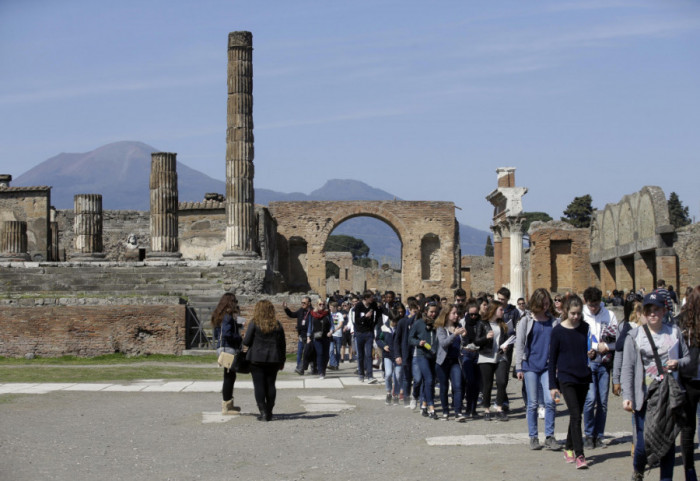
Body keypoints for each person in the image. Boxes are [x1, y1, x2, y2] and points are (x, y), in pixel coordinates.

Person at [622, 292, 689, 481]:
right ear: (644, 312)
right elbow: (628, 368)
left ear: (664, 311)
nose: (652, 314)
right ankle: (638, 469)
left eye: (656, 309)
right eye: (648, 310)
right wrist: (627, 396)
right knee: (643, 444)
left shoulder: (674, 332)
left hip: (668, 395)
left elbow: (688, 358)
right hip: (644, 397)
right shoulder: (634, 336)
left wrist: (678, 363)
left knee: (667, 444)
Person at [549, 294, 592, 469]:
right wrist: (553, 385)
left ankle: (568, 447)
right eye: (573, 313)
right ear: (566, 311)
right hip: (566, 377)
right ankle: (580, 454)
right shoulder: (558, 331)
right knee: (575, 415)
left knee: (576, 416)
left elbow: (587, 349)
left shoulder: (585, 327)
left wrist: (593, 354)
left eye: (578, 313)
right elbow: (552, 360)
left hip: (583, 375)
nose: (576, 317)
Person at [515, 288, 559, 450]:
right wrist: (519, 367)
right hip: (530, 366)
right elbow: (519, 345)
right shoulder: (526, 321)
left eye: (548, 304)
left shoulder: (553, 321)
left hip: (548, 366)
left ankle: (549, 435)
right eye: (543, 304)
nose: (546, 307)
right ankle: (533, 436)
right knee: (532, 403)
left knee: (550, 401)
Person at [582, 286, 618, 449]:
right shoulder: (581, 315)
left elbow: (617, 341)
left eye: (596, 304)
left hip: (604, 362)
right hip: (588, 363)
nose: (594, 308)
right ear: (586, 302)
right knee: (590, 400)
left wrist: (607, 347)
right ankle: (589, 434)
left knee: (602, 401)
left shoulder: (609, 315)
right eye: (591, 305)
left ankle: (599, 434)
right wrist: (595, 347)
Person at [242, 300, 286, 422]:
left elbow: (246, 342)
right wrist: (282, 360)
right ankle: (270, 411)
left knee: (259, 385)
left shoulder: (254, 323)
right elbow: (282, 344)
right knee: (271, 385)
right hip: (273, 359)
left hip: (256, 359)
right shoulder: (277, 324)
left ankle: (263, 412)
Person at [475, 300, 512, 421]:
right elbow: (476, 341)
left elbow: (506, 339)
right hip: (486, 356)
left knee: (502, 381)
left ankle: (499, 408)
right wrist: (486, 338)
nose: (503, 311)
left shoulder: (503, 324)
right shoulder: (482, 323)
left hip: (500, 356)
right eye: (500, 309)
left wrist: (506, 346)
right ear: (494, 310)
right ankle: (486, 409)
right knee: (488, 384)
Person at [678, 285, 700, 481]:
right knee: (688, 427)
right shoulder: (683, 323)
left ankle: (690, 470)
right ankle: (690, 470)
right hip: (689, 379)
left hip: (691, 378)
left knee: (690, 427)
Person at [211, 292, 242, 415]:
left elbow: (217, 333)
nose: (236, 304)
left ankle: (229, 404)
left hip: (222, 347)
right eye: (235, 301)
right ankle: (226, 407)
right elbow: (227, 333)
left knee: (229, 376)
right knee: (229, 377)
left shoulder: (219, 314)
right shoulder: (228, 316)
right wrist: (239, 338)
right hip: (228, 348)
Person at [435, 304, 466, 420]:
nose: (456, 315)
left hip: (455, 361)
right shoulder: (441, 328)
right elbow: (444, 343)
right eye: (454, 313)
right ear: (447, 315)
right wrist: (455, 334)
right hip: (443, 362)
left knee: (458, 386)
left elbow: (463, 342)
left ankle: (458, 411)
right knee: (444, 387)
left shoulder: (459, 326)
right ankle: (445, 411)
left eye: (457, 313)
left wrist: (464, 337)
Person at [409, 300, 439, 419]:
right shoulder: (418, 323)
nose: (433, 314)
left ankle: (424, 405)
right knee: (429, 379)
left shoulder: (437, 323)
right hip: (422, 355)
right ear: (426, 311)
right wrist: (418, 342)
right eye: (431, 312)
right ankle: (431, 407)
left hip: (434, 355)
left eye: (435, 312)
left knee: (429, 382)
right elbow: (410, 339)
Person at [395, 301, 420, 408]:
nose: (415, 314)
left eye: (416, 312)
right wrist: (397, 355)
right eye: (413, 311)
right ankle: (406, 397)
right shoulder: (402, 322)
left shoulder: (419, 322)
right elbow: (397, 340)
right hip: (406, 352)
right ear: (409, 310)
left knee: (417, 377)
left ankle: (415, 396)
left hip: (417, 353)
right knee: (406, 377)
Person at [461, 301, 482, 418]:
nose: (473, 317)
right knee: (469, 381)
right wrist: (463, 336)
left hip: (478, 354)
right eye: (471, 314)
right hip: (467, 353)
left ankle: (474, 409)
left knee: (477, 383)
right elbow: (461, 341)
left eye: (475, 314)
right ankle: (468, 407)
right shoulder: (463, 323)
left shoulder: (481, 323)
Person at [354, 292, 381, 383]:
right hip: (360, 333)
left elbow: (378, 314)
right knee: (361, 355)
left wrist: (373, 324)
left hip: (369, 333)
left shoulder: (373, 305)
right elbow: (356, 321)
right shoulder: (358, 306)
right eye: (371, 297)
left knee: (369, 355)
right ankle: (361, 374)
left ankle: (370, 375)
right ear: (366, 298)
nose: (372, 299)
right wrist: (365, 317)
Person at [376, 307, 400, 405]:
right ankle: (389, 392)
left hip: (398, 355)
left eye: (396, 321)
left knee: (397, 376)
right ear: (390, 319)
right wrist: (383, 345)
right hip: (388, 355)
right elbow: (378, 339)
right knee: (388, 374)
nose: (395, 323)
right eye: (393, 321)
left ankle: (396, 395)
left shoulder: (400, 328)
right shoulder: (383, 327)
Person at [283, 297, 312, 375]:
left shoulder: (312, 312)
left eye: (304, 303)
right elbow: (292, 315)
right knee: (299, 352)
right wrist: (286, 308)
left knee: (308, 353)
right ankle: (299, 367)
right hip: (301, 336)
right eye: (302, 302)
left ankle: (311, 367)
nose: (302, 304)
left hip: (309, 337)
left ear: (309, 303)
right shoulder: (300, 311)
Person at [308, 299, 331, 379]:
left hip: (326, 337)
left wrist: (331, 331)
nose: (322, 305)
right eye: (320, 304)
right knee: (320, 353)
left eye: (323, 304)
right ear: (317, 305)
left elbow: (332, 324)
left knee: (326, 355)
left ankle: (323, 369)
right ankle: (321, 372)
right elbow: (310, 326)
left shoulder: (328, 314)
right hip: (316, 337)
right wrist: (308, 336)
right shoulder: (312, 314)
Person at [328, 301, 344, 371]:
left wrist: (335, 329)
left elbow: (341, 324)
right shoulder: (329, 314)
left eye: (331, 307)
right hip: (331, 335)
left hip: (338, 335)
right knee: (331, 350)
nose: (330, 308)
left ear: (335, 308)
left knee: (338, 351)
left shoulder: (339, 314)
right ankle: (333, 364)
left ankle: (336, 365)